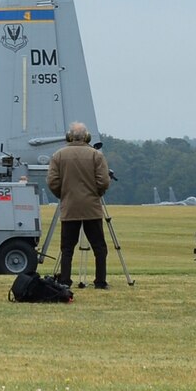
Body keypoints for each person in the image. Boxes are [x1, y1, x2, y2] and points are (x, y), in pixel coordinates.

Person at [47, 123, 113, 289]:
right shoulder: (96, 155)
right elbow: (104, 181)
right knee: (99, 247)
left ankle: (64, 281)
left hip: (70, 207)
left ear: (69, 137)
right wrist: (97, 193)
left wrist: (63, 195)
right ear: (87, 137)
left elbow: (52, 181)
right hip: (92, 208)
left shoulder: (58, 155)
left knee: (67, 248)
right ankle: (100, 281)